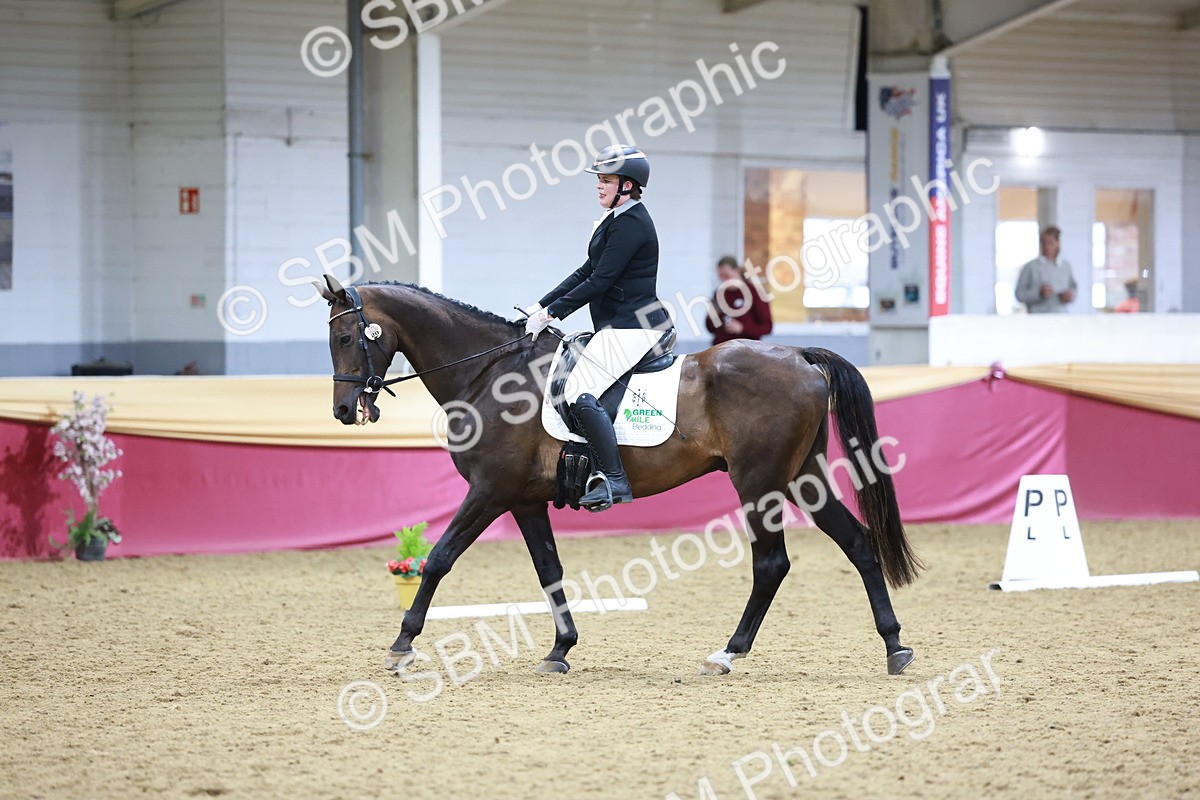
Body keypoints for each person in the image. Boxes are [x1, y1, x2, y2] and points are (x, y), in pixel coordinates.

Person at [523, 144, 672, 512]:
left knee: (579, 392)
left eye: (605, 181)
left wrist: (554, 314)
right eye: (600, 180)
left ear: (627, 185)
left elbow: (601, 281)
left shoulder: (633, 224)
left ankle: (615, 481)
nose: (599, 187)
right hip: (615, 327)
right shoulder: (616, 220)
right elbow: (584, 271)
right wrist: (542, 305)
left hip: (633, 329)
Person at [705, 255, 773, 346]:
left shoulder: (755, 292)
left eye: (727, 276)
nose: (724, 280)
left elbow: (767, 327)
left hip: (746, 349)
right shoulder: (719, 293)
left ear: (737, 271)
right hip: (721, 348)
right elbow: (712, 328)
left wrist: (742, 328)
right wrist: (712, 317)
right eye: (721, 276)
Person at [1015, 226, 1077, 313]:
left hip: (1061, 318)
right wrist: (1038, 293)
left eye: (1050, 243)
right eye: (1043, 243)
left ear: (1057, 243)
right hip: (1037, 320)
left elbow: (1073, 288)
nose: (1046, 246)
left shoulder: (1066, 266)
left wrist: (1069, 296)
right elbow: (1019, 295)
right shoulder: (1030, 267)